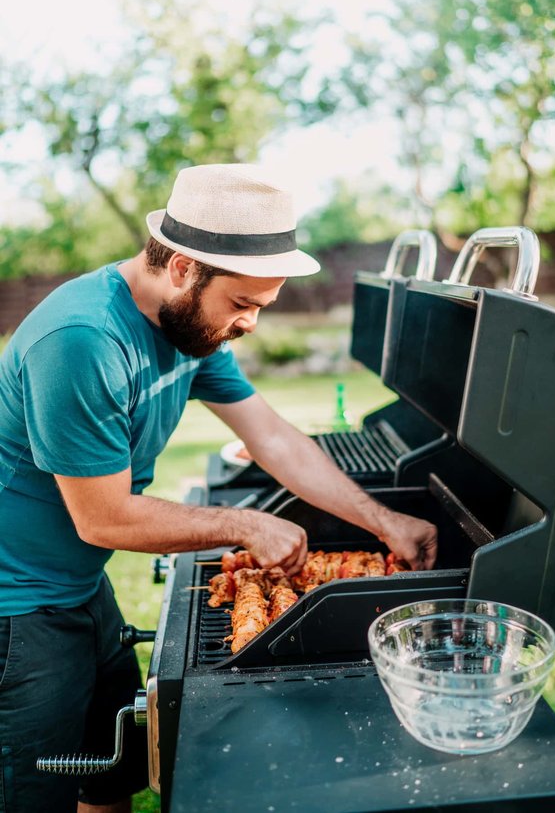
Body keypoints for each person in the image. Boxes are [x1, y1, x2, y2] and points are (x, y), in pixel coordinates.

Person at [0, 163, 437, 813]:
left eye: (260, 306)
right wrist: (245, 524)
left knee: (108, 776)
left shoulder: (186, 328)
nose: (251, 323)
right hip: (17, 608)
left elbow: (274, 438)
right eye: (241, 304)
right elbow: (105, 519)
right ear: (182, 268)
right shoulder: (82, 340)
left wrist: (384, 521)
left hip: (83, 588)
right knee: (35, 798)